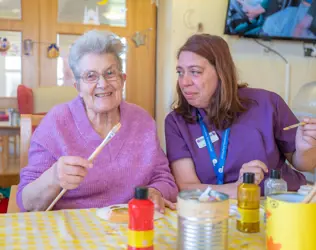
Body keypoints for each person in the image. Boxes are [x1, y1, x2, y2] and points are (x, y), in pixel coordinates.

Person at [17, 30, 178, 212]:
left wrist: (155, 191)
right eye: (91, 76)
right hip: (72, 232)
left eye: (110, 73)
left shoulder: (142, 121)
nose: (102, 84)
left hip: (129, 226)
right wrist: (54, 178)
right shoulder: (55, 123)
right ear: (78, 87)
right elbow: (27, 202)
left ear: (122, 80)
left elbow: (164, 179)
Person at [165, 33, 316, 198]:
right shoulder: (177, 122)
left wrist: (305, 149)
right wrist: (238, 188)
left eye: (195, 72)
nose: (184, 82)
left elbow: (305, 164)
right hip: (219, 209)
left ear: (221, 72)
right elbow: (187, 188)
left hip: (281, 202)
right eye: (180, 72)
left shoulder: (267, 103)